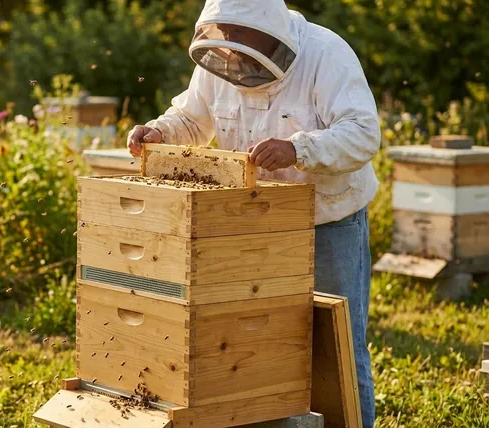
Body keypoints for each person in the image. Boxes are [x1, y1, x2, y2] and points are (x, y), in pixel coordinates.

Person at [127, 0, 380, 426]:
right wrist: (159, 131)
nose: (232, 49)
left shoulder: (326, 54)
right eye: (225, 36)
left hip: (326, 221)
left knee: (337, 345)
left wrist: (299, 149)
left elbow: (362, 133)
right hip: (250, 226)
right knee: (259, 342)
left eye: (241, 38)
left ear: (270, 31)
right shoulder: (218, 57)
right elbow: (192, 118)